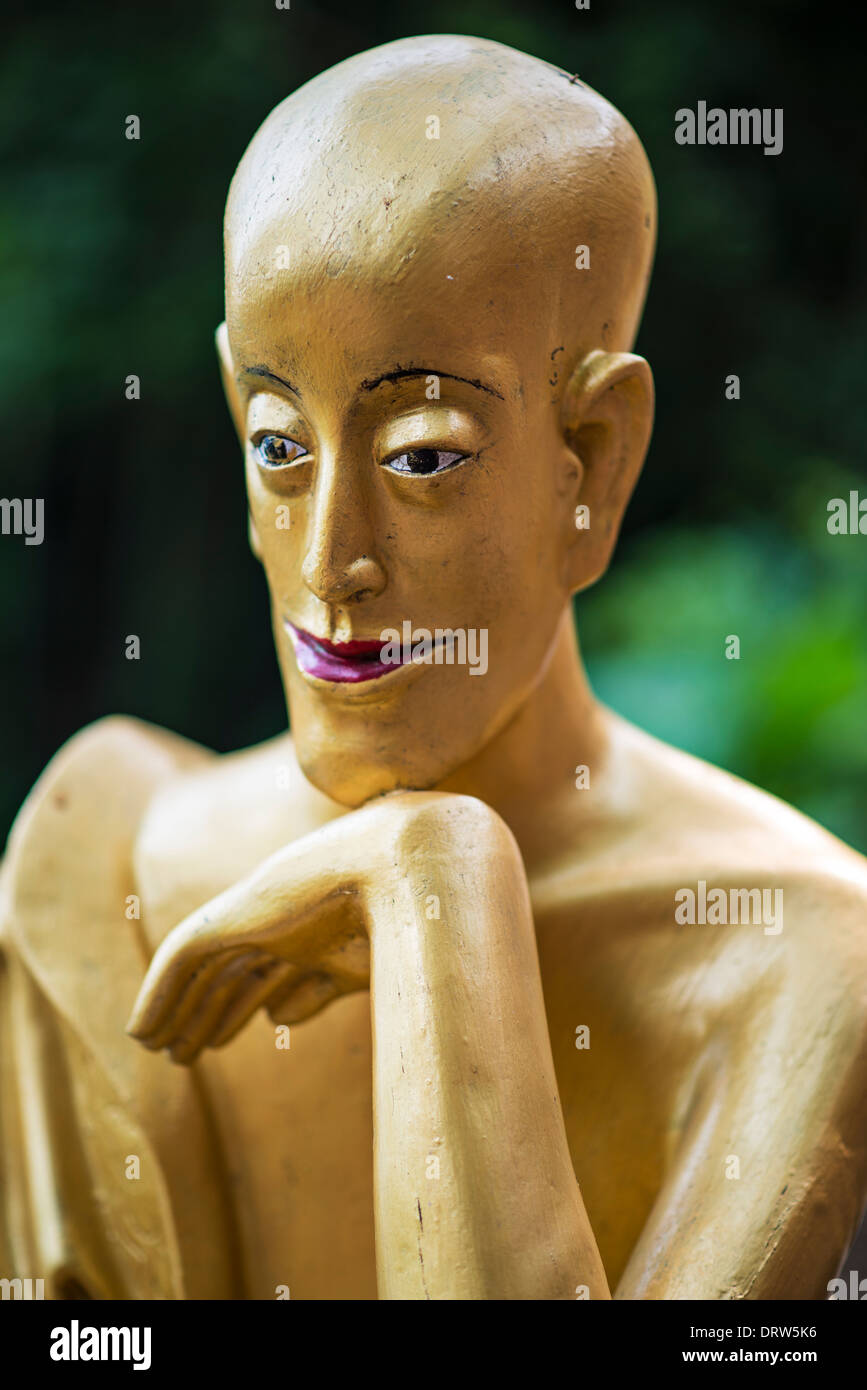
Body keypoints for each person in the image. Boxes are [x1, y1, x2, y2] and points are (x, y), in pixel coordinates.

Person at [3, 34, 866, 1300]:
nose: (330, 559)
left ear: (594, 465)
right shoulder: (117, 869)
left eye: (421, 457)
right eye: (279, 445)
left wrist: (436, 890)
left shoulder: (799, 957)